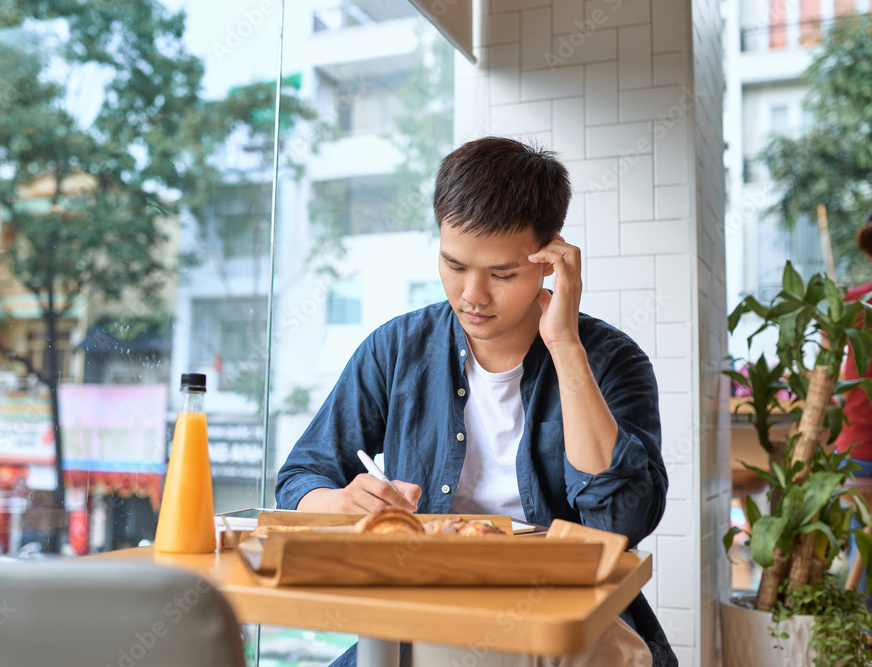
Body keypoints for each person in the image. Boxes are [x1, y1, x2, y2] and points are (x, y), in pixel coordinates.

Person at [275, 136, 675, 666]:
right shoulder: (397, 348)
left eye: (502, 274)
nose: (472, 295)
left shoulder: (608, 361)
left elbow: (621, 521)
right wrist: (341, 502)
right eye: (455, 265)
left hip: (557, 625)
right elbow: (300, 477)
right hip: (421, 616)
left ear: (550, 260)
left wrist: (564, 346)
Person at [836, 209, 872, 599]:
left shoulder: (852, 303)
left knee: (863, 565)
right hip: (861, 451)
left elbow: (826, 379)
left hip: (854, 449)